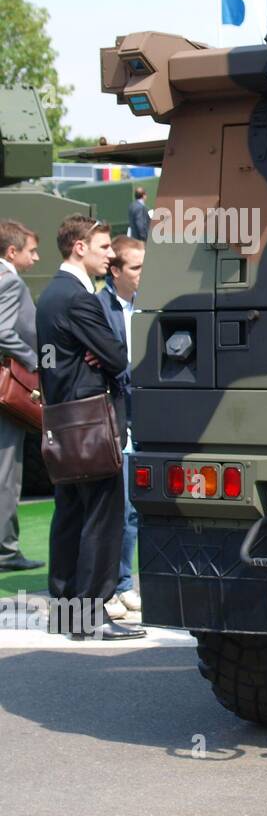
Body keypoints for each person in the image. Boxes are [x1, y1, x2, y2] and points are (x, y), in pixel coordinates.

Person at [36, 216, 143, 640]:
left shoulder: (50, 295)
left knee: (69, 516)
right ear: (79, 247)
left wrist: (89, 355)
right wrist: (97, 355)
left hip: (65, 423)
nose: (109, 255)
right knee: (102, 518)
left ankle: (67, 613)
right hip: (92, 423)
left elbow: (51, 361)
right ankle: (92, 615)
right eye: (102, 248)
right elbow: (117, 357)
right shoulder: (79, 299)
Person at [99, 237, 144, 619]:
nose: (144, 275)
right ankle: (115, 584)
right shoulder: (100, 308)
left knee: (136, 510)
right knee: (120, 508)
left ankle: (125, 582)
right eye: (136, 268)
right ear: (115, 271)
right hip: (116, 418)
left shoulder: (150, 304)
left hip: (147, 417)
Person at [0, 221, 45, 572]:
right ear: (12, 252)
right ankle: (6, 552)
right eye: (31, 251)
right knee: (6, 473)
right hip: (7, 391)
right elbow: (3, 332)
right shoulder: (11, 281)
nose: (37, 257)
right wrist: (34, 363)